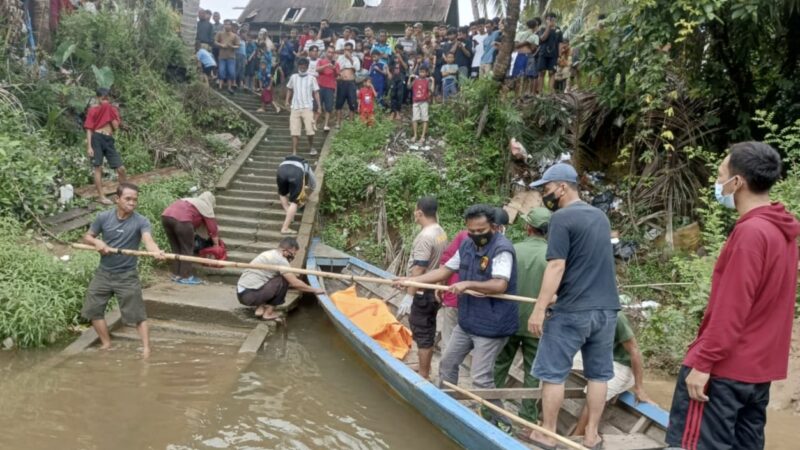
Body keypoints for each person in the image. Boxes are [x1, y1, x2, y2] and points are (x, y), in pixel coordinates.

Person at [666, 142, 799, 450]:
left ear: (737, 182)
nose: (717, 181)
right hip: (757, 372)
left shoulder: (751, 233)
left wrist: (703, 363)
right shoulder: (783, 231)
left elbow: (732, 308)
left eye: (720, 174)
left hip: (724, 372)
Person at [395, 204, 518, 432]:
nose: (477, 236)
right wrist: (411, 281)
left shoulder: (502, 249)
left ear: (493, 227)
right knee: (447, 363)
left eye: (481, 231)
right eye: (472, 231)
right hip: (468, 320)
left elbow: (500, 283)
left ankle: (500, 423)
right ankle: (448, 407)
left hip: (492, 325)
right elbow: (444, 271)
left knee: (480, 378)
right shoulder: (467, 245)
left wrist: (467, 283)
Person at [525, 163, 619, 450]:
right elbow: (587, 263)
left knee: (553, 373)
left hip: (574, 311)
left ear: (563, 187)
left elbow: (556, 265)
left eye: (547, 189)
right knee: (599, 374)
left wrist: (539, 308)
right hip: (606, 310)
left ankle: (548, 433)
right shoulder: (600, 217)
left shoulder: (561, 218)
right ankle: (591, 435)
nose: (545, 194)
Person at [82, 183, 165, 358]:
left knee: (137, 314)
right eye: (128, 199)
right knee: (93, 309)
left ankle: (146, 349)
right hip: (104, 273)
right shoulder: (103, 218)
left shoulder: (141, 221)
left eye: (135, 199)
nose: (132, 202)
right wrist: (97, 242)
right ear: (117, 199)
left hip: (127, 275)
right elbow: (88, 236)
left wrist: (155, 251)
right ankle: (106, 344)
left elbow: (148, 240)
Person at [493, 207, 551, 428]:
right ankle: (527, 418)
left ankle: (490, 409)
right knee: (533, 372)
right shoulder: (553, 259)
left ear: (528, 228)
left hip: (508, 320)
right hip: (537, 325)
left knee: (499, 365)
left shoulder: (512, 250)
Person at [573, 311, 653, 436]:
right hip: (600, 357)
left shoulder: (616, 316)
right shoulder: (583, 309)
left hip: (622, 365)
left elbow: (635, 352)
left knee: (594, 393)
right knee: (557, 361)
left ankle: (577, 436)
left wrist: (639, 388)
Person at [395, 197, 448, 380]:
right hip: (433, 290)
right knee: (428, 328)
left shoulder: (425, 237)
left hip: (422, 292)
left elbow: (419, 268)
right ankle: (422, 365)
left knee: (423, 332)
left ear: (420, 213)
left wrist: (409, 295)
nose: (414, 215)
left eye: (415, 211)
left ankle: (424, 374)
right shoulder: (440, 231)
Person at [237, 237, 324, 320]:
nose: (293, 256)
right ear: (285, 251)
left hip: (241, 294)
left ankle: (260, 307)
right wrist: (315, 290)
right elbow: (295, 283)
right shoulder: (281, 260)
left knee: (268, 278)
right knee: (284, 279)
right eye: (293, 254)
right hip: (250, 296)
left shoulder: (269, 253)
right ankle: (268, 313)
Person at [160, 191, 219, 285]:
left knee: (176, 248)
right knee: (187, 249)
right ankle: (185, 276)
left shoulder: (191, 200)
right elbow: (212, 228)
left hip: (166, 217)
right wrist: (216, 244)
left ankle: (176, 274)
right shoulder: (205, 206)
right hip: (182, 221)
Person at [84, 87, 126, 205]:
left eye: (107, 99)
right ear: (98, 98)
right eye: (103, 99)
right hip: (96, 138)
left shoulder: (112, 110)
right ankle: (102, 197)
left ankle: (123, 193)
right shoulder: (93, 110)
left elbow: (116, 127)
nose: (105, 101)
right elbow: (88, 129)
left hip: (108, 139)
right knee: (98, 168)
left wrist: (110, 114)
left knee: (121, 168)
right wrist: (89, 147)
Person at [437, 229, 468, 351]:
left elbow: (446, 260)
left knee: (449, 338)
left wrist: (440, 284)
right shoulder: (465, 237)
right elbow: (447, 263)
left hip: (457, 300)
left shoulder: (464, 235)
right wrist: (440, 284)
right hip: (457, 299)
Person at [285, 58, 321, 155]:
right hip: (295, 107)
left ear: (307, 66)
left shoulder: (312, 78)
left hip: (307, 107)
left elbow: (316, 92)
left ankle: (311, 147)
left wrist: (319, 106)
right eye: (301, 66)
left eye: (304, 66)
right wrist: (286, 101)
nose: (302, 67)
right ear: (298, 66)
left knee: (310, 130)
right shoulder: (293, 77)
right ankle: (294, 152)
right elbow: (289, 89)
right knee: (294, 131)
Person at [276, 155, 317, 235]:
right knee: (295, 201)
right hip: (295, 173)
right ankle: (285, 228)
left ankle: (289, 213)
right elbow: (313, 185)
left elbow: (281, 179)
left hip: (281, 171)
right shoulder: (305, 164)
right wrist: (306, 197)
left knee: (282, 193)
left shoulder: (284, 162)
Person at [335, 42, 361, 129]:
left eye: (349, 49)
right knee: (339, 103)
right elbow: (337, 69)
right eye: (346, 49)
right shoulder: (340, 58)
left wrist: (350, 58)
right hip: (342, 82)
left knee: (352, 103)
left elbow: (357, 68)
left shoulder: (355, 58)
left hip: (351, 83)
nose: (347, 51)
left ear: (352, 50)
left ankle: (351, 124)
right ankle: (338, 122)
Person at [536, 12, 562, 94]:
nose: (551, 21)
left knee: (552, 72)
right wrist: (548, 27)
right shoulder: (542, 29)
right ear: (546, 20)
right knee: (541, 72)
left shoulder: (558, 31)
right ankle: (540, 92)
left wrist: (559, 56)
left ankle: (551, 93)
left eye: (553, 19)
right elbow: (542, 38)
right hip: (543, 54)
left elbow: (560, 44)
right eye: (549, 19)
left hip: (554, 55)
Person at [215, 19, 241, 94]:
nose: (227, 25)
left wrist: (232, 46)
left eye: (228, 24)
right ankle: (220, 86)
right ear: (224, 25)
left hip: (231, 57)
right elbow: (215, 42)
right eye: (225, 24)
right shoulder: (219, 33)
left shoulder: (235, 36)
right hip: (222, 56)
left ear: (231, 26)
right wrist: (221, 45)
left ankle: (229, 87)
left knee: (231, 72)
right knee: (221, 71)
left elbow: (238, 46)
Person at [316, 46, 337, 131]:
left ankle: (326, 125)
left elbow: (337, 75)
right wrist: (326, 65)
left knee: (329, 107)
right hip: (320, 86)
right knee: (317, 106)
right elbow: (317, 70)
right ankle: (314, 123)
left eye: (332, 52)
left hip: (330, 87)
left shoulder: (336, 63)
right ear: (326, 52)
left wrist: (334, 69)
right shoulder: (320, 61)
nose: (330, 54)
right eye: (329, 52)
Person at [409, 65, 432, 143]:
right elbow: (409, 87)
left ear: (426, 73)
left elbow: (431, 90)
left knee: (424, 119)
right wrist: (410, 78)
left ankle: (422, 136)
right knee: (415, 119)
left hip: (424, 102)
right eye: (420, 72)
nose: (421, 73)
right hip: (415, 101)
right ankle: (415, 135)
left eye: (423, 72)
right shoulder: (415, 80)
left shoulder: (427, 80)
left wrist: (433, 81)